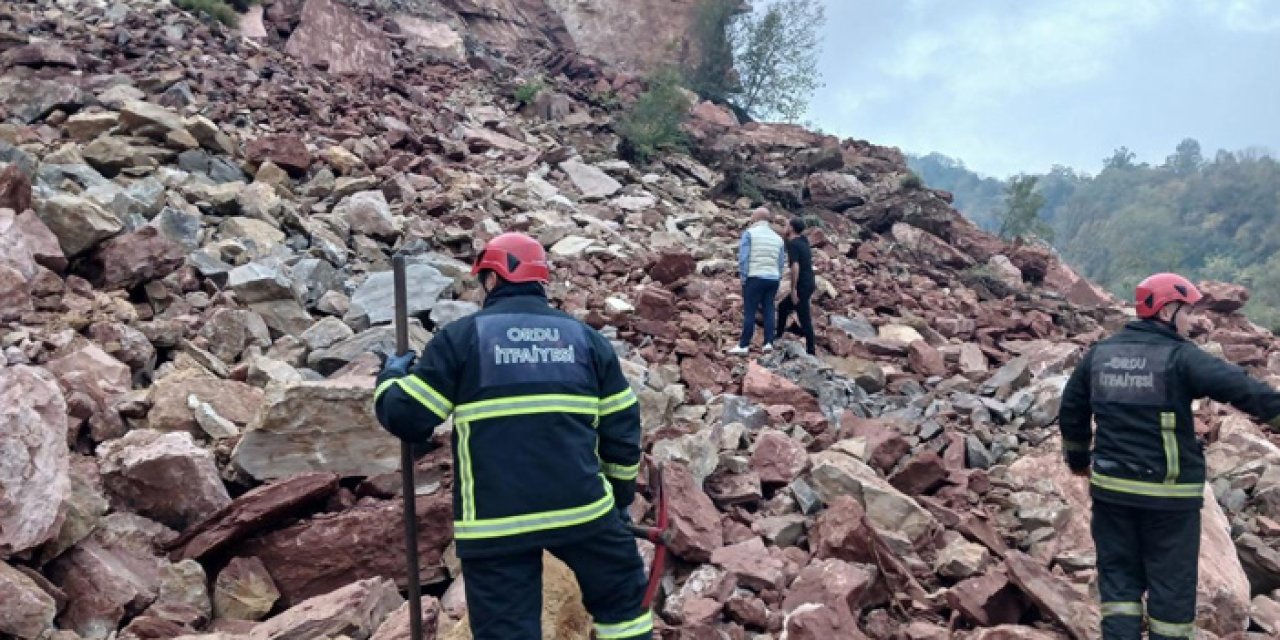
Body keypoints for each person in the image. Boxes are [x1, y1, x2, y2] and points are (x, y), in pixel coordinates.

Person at [373, 232, 651, 640]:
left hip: (495, 524)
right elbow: (622, 426)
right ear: (540, 280)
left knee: (507, 631)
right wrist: (621, 498)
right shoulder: (584, 340)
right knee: (623, 608)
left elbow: (408, 417)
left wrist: (391, 376)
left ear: (492, 279)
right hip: (582, 511)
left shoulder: (463, 338)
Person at [1058, 272, 1280, 640]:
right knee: (1171, 592)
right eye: (1187, 311)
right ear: (1167, 311)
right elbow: (1243, 390)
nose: (1191, 321)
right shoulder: (1181, 358)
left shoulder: (1101, 354)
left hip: (1112, 492)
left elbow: (1072, 410)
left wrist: (1079, 461)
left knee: (1119, 586)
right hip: (1169, 498)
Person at [730, 207, 785, 355]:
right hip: (772, 278)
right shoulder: (778, 238)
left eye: (752, 215)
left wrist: (743, 277)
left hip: (755, 277)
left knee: (750, 311)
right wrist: (778, 277)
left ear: (756, 218)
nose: (751, 218)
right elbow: (781, 262)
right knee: (769, 309)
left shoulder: (750, 234)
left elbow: (744, 258)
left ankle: (743, 345)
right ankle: (768, 343)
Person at [775, 216, 817, 355]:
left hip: (802, 285)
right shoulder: (803, 241)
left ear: (791, 228)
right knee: (783, 307)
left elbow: (795, 266)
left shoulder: (793, 244)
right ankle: (780, 336)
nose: (785, 227)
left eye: (786, 225)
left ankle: (811, 351)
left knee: (804, 317)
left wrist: (793, 290)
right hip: (810, 281)